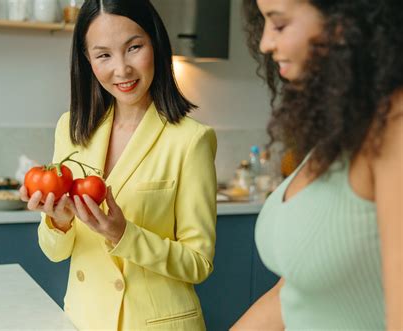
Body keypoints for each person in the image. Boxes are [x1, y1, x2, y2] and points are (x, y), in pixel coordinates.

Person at [20, 0, 217, 330]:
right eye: (103, 55)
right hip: (83, 320)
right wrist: (60, 222)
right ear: (88, 61)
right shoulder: (71, 130)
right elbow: (55, 253)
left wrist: (124, 234)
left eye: (134, 47)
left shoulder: (191, 140)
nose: (122, 69)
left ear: (155, 43)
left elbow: (198, 263)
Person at [231, 0, 402, 329]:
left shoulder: (394, 127)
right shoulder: (343, 127)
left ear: (342, 23)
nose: (266, 43)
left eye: (279, 25)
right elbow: (294, 293)